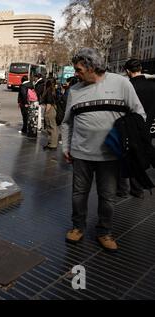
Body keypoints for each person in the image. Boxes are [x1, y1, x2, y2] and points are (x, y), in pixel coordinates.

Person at [62, 48, 146, 252]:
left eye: (79, 69)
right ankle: (77, 227)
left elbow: (139, 114)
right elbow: (66, 123)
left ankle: (104, 232)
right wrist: (66, 146)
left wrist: (126, 136)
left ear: (92, 67)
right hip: (81, 153)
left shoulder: (121, 83)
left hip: (110, 156)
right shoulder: (75, 90)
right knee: (78, 194)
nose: (76, 73)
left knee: (107, 196)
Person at [115, 58, 155, 199]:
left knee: (125, 155)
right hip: (148, 127)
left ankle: (122, 188)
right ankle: (138, 189)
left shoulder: (127, 86)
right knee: (140, 156)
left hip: (129, 126)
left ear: (127, 71)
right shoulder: (152, 86)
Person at [41, 78, 58, 150]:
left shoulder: (49, 90)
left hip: (50, 110)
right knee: (52, 127)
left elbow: (49, 102)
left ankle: (53, 144)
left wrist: (46, 112)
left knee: (51, 127)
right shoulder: (54, 90)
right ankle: (51, 143)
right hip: (53, 109)